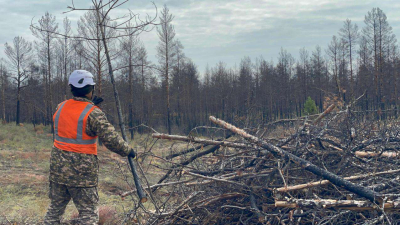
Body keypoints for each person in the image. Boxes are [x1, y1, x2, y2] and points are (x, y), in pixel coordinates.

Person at [43, 70, 136, 224]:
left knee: (54, 211)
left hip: (58, 170)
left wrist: (91, 105)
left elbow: (74, 120)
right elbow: (111, 140)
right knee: (88, 215)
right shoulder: (94, 113)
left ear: (72, 87)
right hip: (82, 173)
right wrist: (128, 150)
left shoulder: (60, 107)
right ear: (90, 89)